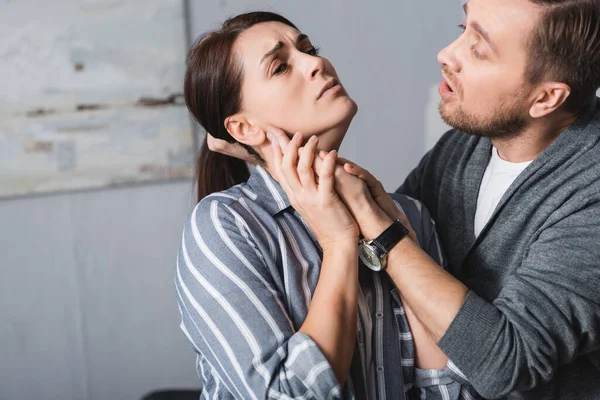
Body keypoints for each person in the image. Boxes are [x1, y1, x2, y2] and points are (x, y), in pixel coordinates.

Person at [251, 0, 600, 398]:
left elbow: (507, 363)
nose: (446, 53)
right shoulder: (465, 145)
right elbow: (400, 239)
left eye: (478, 49)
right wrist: (248, 140)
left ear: (546, 99)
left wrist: (379, 229)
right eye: (462, 27)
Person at [175, 11, 477, 400]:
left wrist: (394, 236)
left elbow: (458, 393)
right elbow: (284, 396)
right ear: (244, 129)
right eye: (281, 67)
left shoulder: (406, 215)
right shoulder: (225, 227)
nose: (316, 63)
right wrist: (338, 242)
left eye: (308, 49)